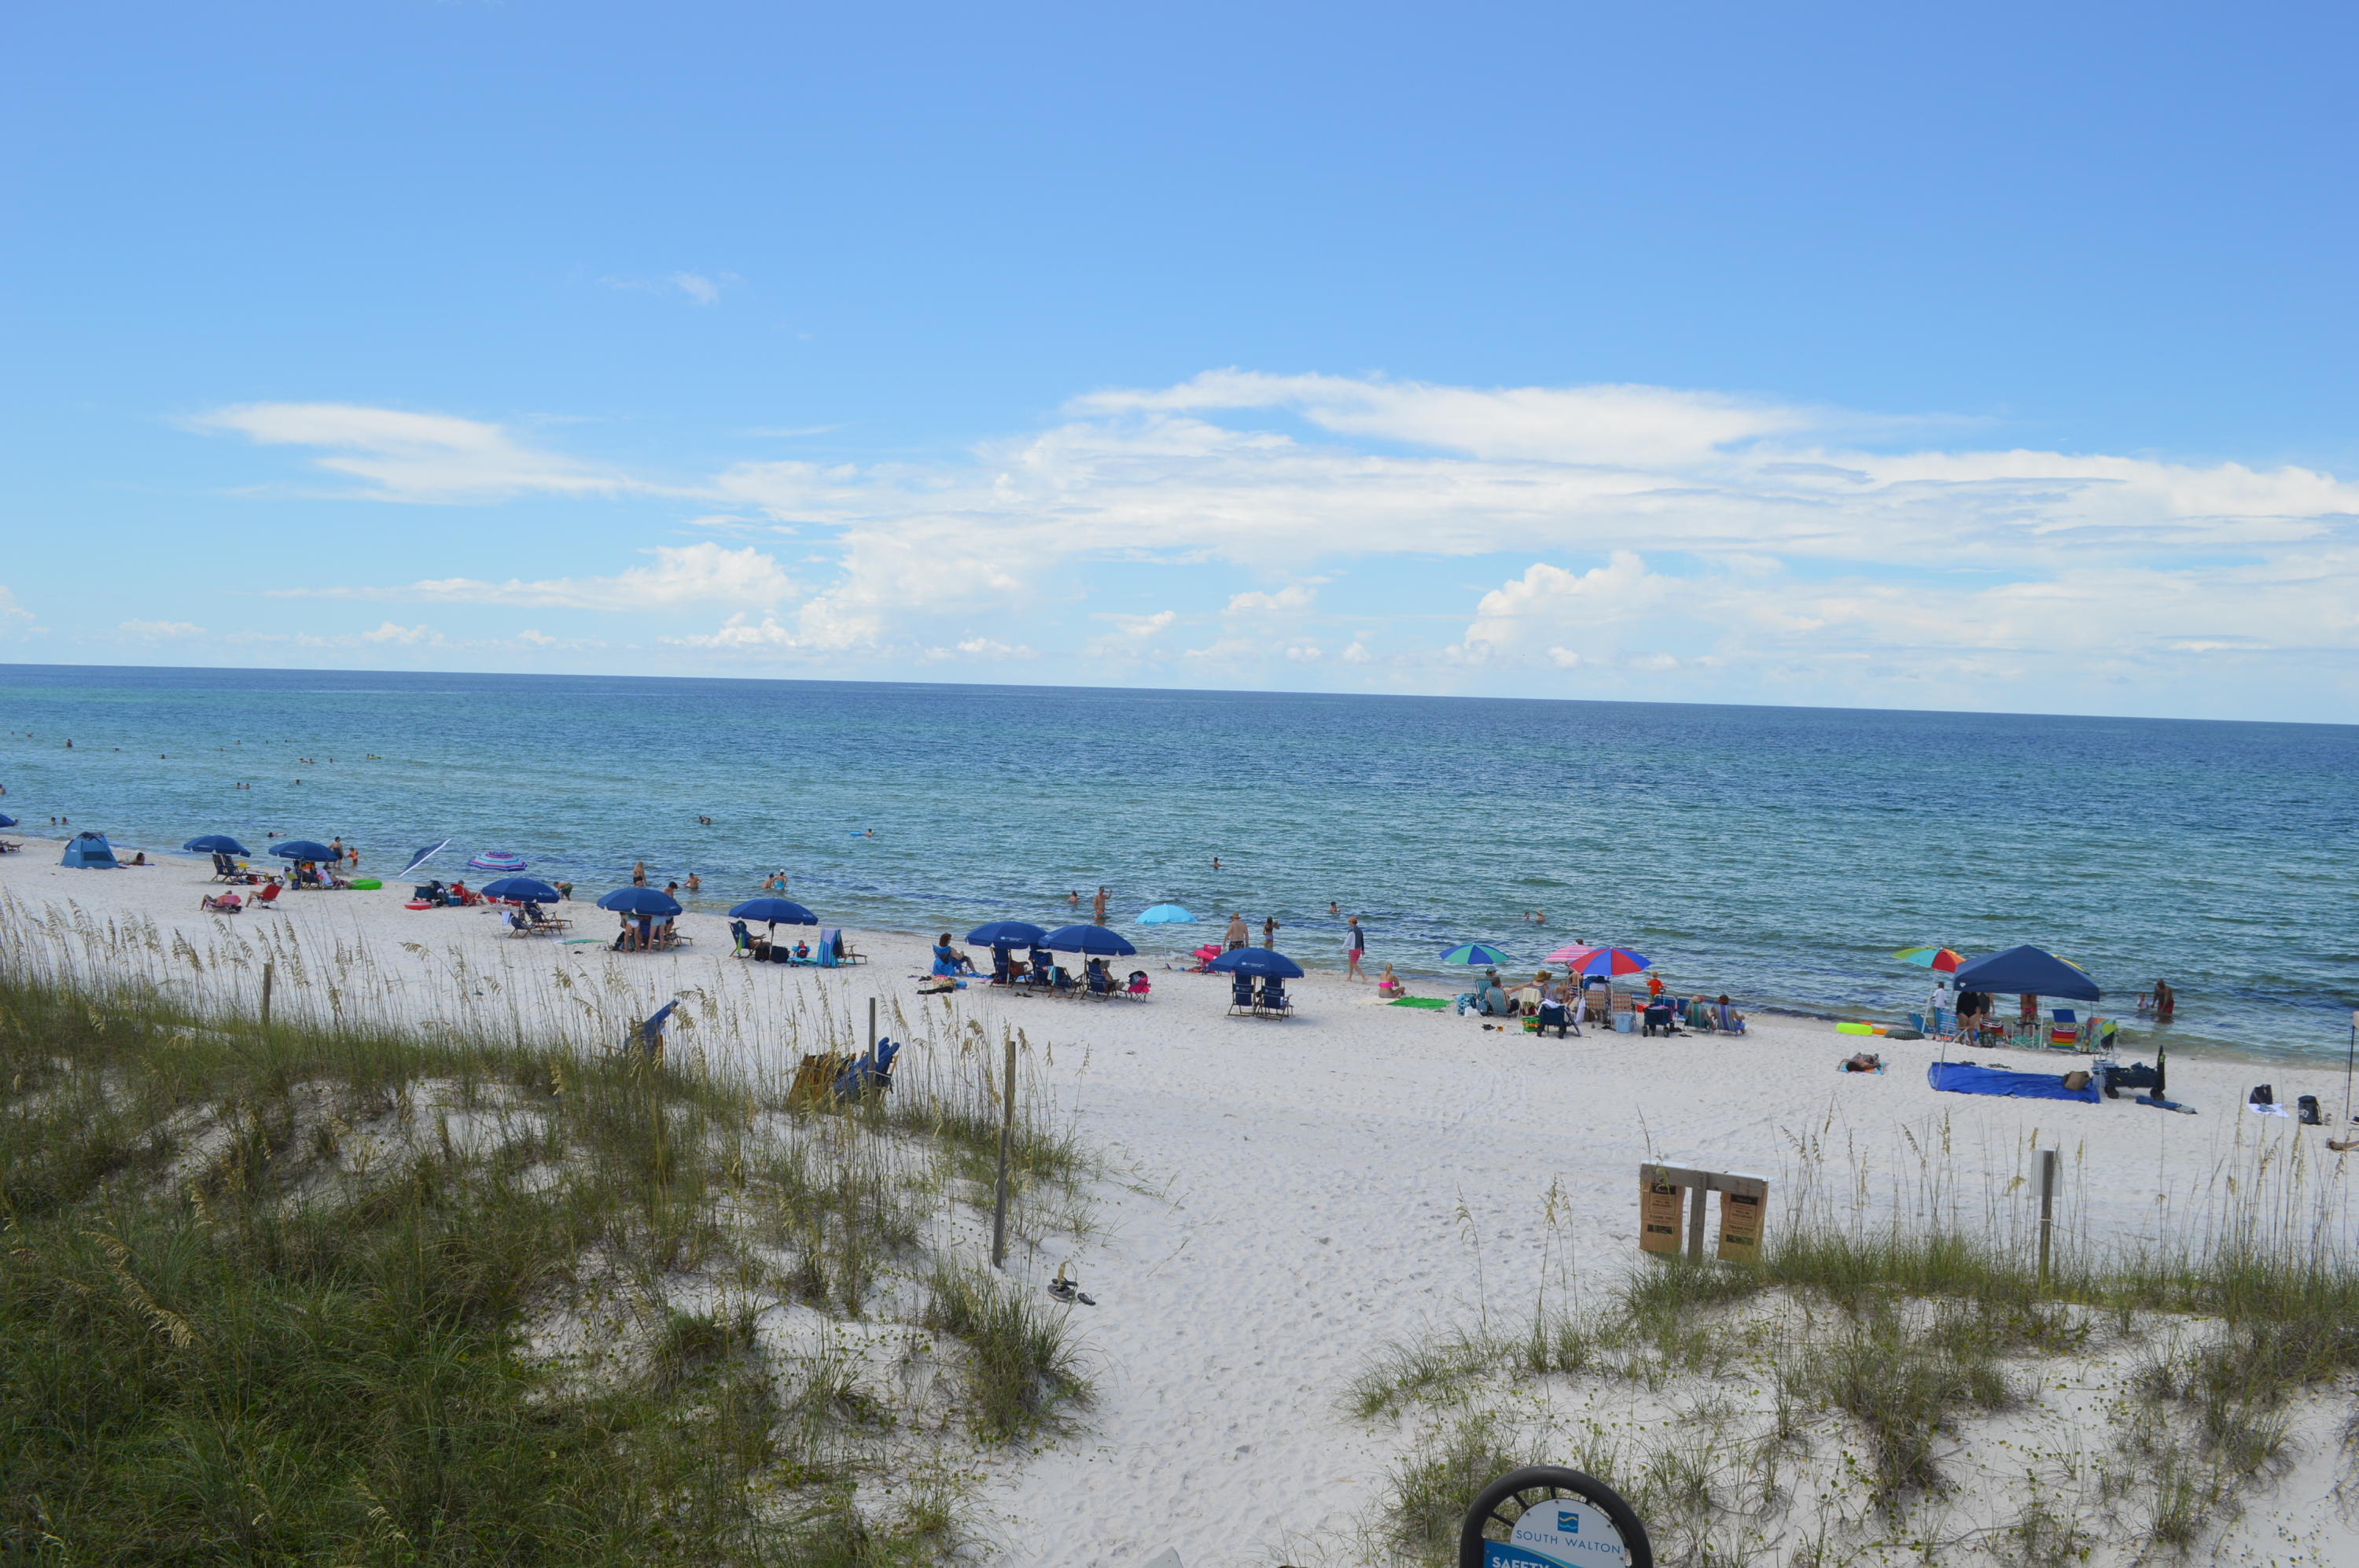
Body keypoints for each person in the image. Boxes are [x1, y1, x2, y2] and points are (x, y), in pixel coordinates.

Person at [1345, 915, 1366, 980]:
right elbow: (1362, 941)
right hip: (1358, 950)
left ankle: (1364, 976)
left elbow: (1348, 940)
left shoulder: (1351, 930)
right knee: (1351, 963)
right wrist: (1363, 950)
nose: (1348, 923)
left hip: (1353, 949)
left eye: (1349, 922)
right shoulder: (1360, 930)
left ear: (1352, 922)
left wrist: (1343, 947)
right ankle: (1349, 977)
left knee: (1353, 964)